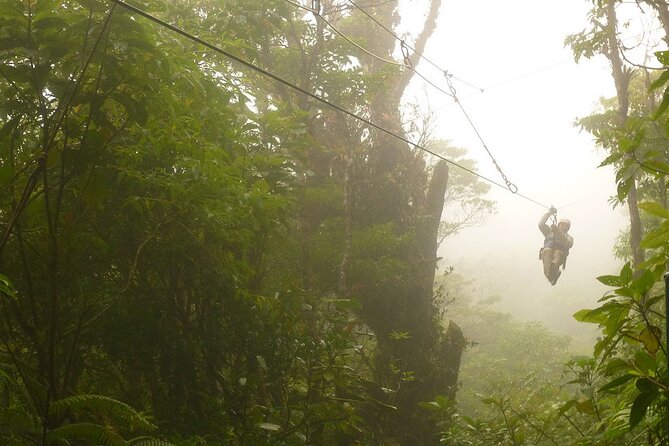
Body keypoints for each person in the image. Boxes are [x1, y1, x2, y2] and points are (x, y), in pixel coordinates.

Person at [538, 207, 573, 285]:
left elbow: (569, 243)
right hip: (548, 254)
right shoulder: (550, 232)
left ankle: (553, 272)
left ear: (568, 228)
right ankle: (551, 276)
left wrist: (558, 232)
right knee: (547, 250)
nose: (563, 227)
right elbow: (541, 224)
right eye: (562, 225)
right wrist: (549, 213)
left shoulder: (569, 237)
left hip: (559, 256)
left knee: (557, 253)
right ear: (558, 225)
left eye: (565, 226)